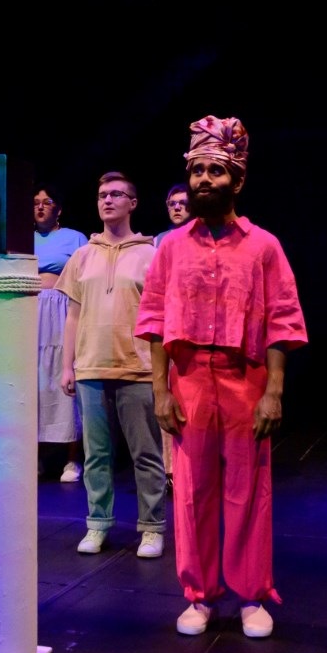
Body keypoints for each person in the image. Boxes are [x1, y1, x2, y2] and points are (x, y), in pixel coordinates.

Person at [136, 115, 307, 639]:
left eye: (216, 171)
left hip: (244, 377)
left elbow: (283, 320)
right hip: (188, 377)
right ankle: (200, 594)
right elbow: (155, 321)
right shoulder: (170, 247)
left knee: (248, 488)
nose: (204, 180)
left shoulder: (264, 246)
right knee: (191, 489)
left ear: (237, 180)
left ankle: (252, 594)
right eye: (198, 171)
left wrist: (273, 393)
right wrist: (160, 391)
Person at [57, 172, 167, 559]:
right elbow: (72, 314)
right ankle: (97, 524)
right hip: (91, 366)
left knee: (146, 453)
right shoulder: (83, 255)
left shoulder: (151, 254)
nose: (107, 200)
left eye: (116, 194)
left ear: (132, 203)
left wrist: (161, 372)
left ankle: (152, 528)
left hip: (136, 366)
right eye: (102, 194)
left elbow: (161, 318)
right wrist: (67, 365)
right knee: (96, 455)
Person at [33, 183, 87, 483]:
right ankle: (36, 456)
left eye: (47, 201)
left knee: (63, 380)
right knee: (35, 382)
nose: (40, 206)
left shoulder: (74, 237)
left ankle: (71, 459)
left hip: (60, 307)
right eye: (36, 202)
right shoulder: (20, 237)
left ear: (59, 209)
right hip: (29, 309)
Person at [156, 183, 193, 491]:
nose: (178, 208)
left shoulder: (203, 237)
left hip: (195, 328)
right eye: (172, 204)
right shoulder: (159, 242)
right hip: (168, 329)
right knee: (166, 395)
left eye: (183, 203)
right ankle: (170, 472)